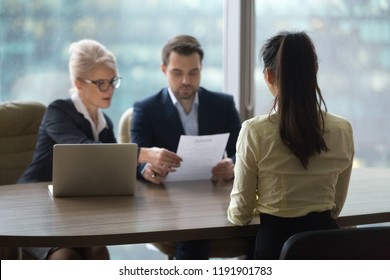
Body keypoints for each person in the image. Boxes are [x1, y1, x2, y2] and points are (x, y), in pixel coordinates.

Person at [18, 39, 181, 260]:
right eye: (101, 83)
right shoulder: (58, 111)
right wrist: (145, 153)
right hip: (36, 206)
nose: (110, 90)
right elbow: (84, 150)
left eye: (113, 81)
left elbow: (113, 166)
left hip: (73, 208)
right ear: (79, 84)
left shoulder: (104, 124)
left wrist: (145, 170)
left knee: (98, 251)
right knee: (65, 257)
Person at [227, 31, 355, 260]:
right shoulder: (342, 129)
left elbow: (241, 213)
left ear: (268, 76)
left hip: (276, 252)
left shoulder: (254, 131)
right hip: (327, 252)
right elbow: (335, 207)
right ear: (314, 71)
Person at [131, 35, 242, 259]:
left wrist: (231, 164)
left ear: (201, 69)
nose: (186, 80)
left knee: (263, 232)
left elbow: (242, 152)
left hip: (216, 195)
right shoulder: (145, 109)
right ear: (164, 70)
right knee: (194, 239)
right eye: (177, 72)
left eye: (193, 72)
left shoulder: (223, 105)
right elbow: (136, 158)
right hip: (171, 200)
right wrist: (147, 171)